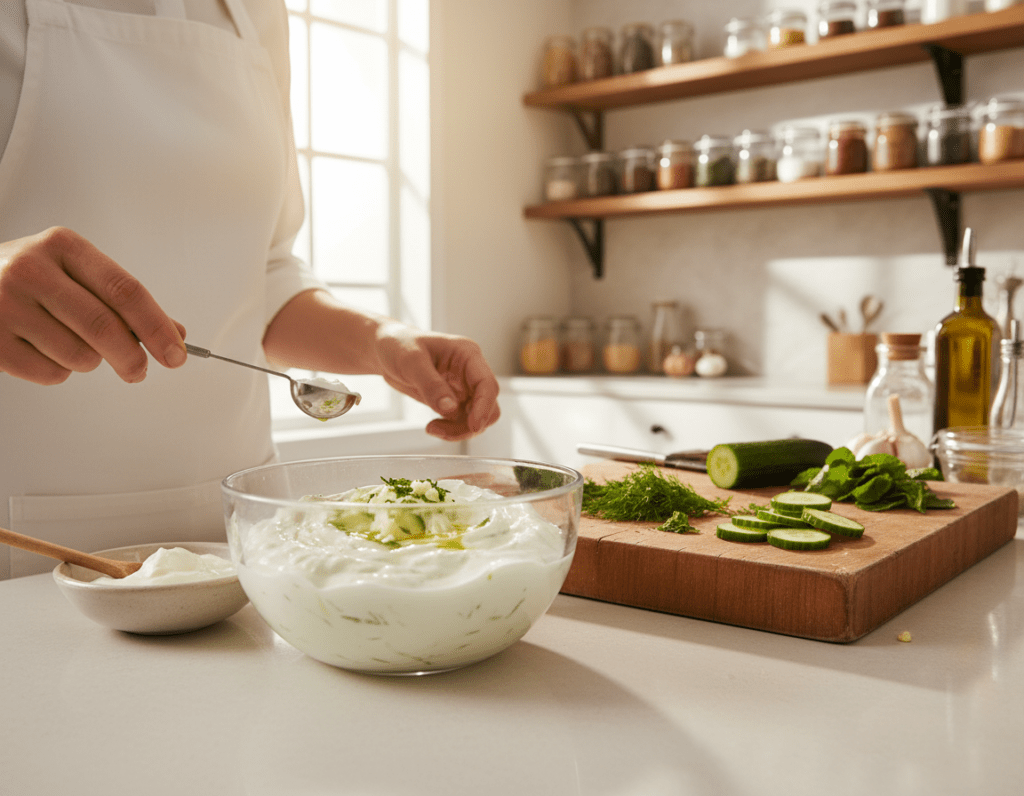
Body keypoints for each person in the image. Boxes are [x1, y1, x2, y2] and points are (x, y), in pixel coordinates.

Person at [0, 0, 500, 578]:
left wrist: (380, 342)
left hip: (241, 537)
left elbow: (262, 270)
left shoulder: (258, 13)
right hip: (25, 550)